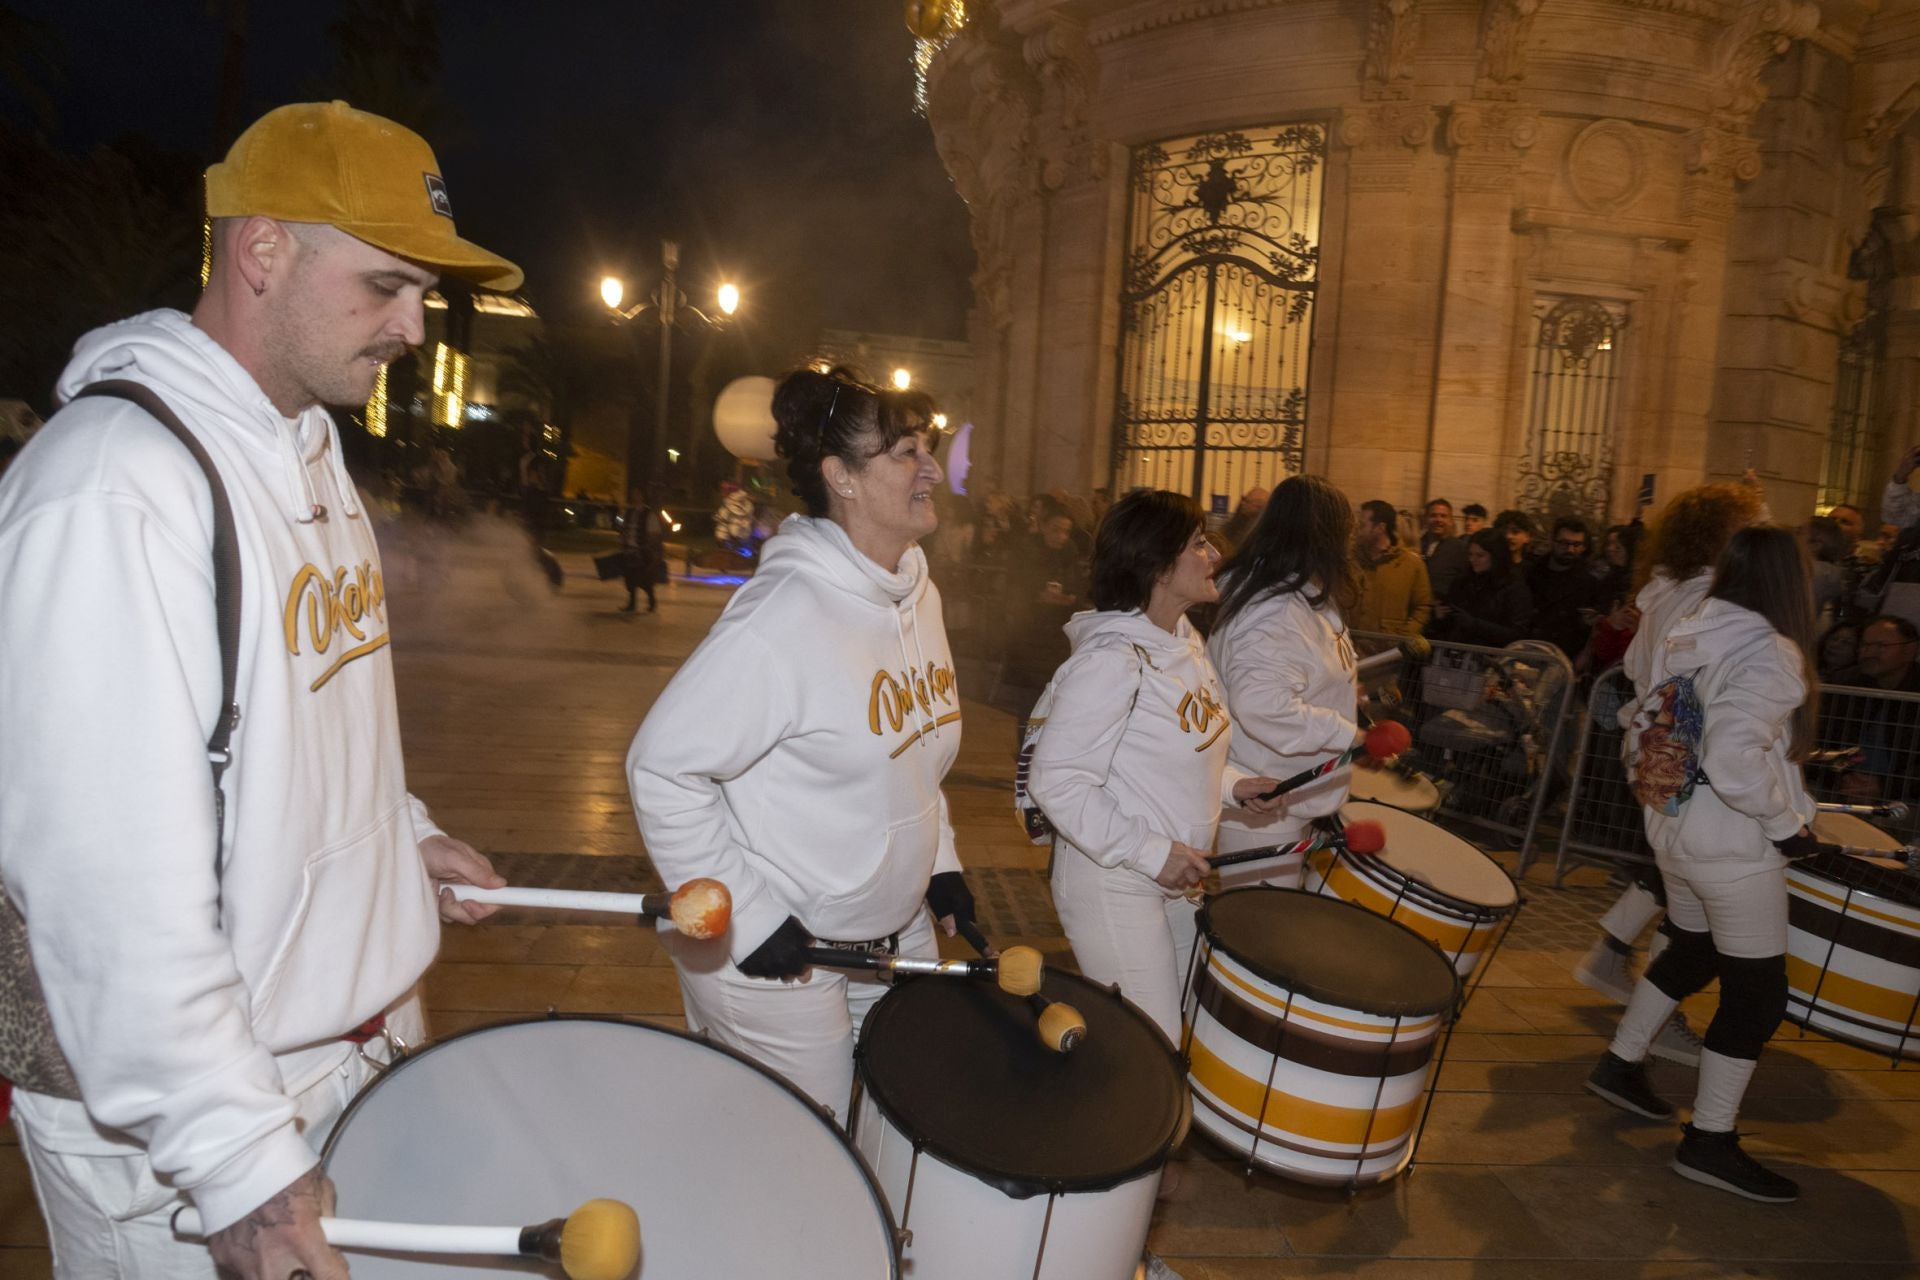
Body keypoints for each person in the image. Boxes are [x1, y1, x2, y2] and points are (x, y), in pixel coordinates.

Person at [0, 101, 511, 1280]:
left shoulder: (308, 446)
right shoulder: (112, 491)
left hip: (340, 1061)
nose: (414, 326)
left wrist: (399, 838)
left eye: (423, 291)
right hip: (192, 1135)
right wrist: (239, 1166)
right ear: (263, 251)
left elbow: (302, 722)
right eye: (387, 285)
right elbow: (101, 884)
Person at [627, 367, 977, 1116]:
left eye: (927, 448)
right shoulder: (785, 614)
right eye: (904, 453)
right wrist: (749, 916)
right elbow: (660, 768)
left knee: (900, 1118)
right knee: (808, 1155)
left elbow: (911, 753)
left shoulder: (919, 593)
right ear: (840, 478)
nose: (930, 470)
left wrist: (938, 861)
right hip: (785, 953)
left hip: (888, 931)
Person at [1586, 526, 1819, 1203]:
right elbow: (1733, 755)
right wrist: (1787, 826)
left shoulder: (1687, 630)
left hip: (1674, 832)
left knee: (1692, 948)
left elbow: (1647, 723)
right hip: (1732, 844)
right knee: (1758, 993)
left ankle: (1622, 1062)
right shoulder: (1767, 649)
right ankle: (1710, 1140)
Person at [1027, 490, 1283, 1042]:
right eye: (1197, 544)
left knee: (1181, 1034)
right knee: (1149, 1047)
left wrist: (1236, 787)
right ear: (1158, 565)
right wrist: (1151, 852)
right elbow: (1058, 781)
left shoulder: (1186, 641)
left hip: (1175, 873)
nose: (1213, 555)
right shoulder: (1111, 663)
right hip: (1115, 878)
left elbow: (1174, 755)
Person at [1571, 483, 1766, 1066]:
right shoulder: (1707, 599)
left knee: (1682, 899)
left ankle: (1636, 1017)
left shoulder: (1663, 594)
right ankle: (1644, 1027)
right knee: (1693, 915)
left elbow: (1636, 666)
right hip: (1688, 761)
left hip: (1657, 755)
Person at [1208, 476, 1363, 888]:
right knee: (1256, 937)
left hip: (1288, 796)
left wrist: (1339, 694)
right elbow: (1261, 704)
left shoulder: (1294, 590)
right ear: (1325, 535)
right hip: (1263, 803)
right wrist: (1347, 733)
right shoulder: (1273, 607)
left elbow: (1299, 670)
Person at [1428, 528, 1533, 647]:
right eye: (1470, 554)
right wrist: (1440, 617)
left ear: (1496, 556)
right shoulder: (1462, 582)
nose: (1473, 560)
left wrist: (1474, 624)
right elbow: (1451, 623)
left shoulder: (1514, 588)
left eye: (1480, 555)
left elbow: (1517, 634)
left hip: (1492, 655)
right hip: (1460, 653)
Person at [1525, 517, 1606, 662]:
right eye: (1564, 543)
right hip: (1529, 649)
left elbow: (1593, 626)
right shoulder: (1530, 573)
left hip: (1565, 656)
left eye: (1576, 544)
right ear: (1552, 541)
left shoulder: (1590, 582)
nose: (1570, 549)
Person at [1351, 499, 1433, 636]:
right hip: (1350, 648)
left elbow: (1422, 607)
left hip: (1387, 650)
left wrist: (1403, 636)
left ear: (1380, 528)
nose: (1357, 530)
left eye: (1362, 525)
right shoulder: (1351, 560)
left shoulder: (1412, 564)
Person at [615, 487, 667, 613]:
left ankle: (651, 601)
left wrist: (648, 545)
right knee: (630, 578)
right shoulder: (628, 512)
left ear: (642, 497)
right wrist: (622, 535)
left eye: (637, 494)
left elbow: (655, 532)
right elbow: (620, 523)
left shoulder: (648, 513)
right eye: (634, 494)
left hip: (642, 551)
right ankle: (632, 604)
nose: (635, 497)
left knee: (644, 579)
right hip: (629, 549)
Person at [1418, 497, 1471, 598]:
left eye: (1443, 516)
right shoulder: (1416, 545)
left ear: (1451, 521)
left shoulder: (1460, 549)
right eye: (1433, 515)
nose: (1438, 520)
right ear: (1425, 519)